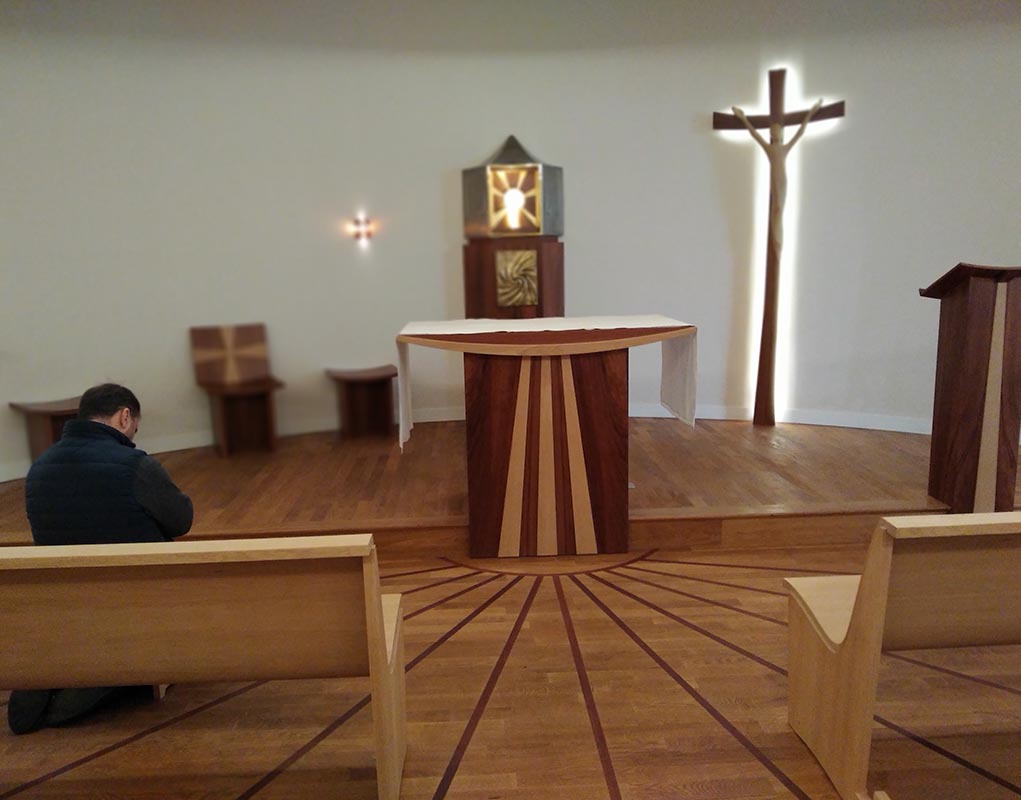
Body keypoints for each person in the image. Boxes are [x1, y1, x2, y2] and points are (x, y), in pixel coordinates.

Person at [8, 383, 194, 735]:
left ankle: (47, 678)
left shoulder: (39, 469)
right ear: (125, 417)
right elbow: (181, 520)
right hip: (135, 601)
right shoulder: (135, 465)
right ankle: (77, 695)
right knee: (137, 640)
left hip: (65, 599)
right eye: (135, 427)